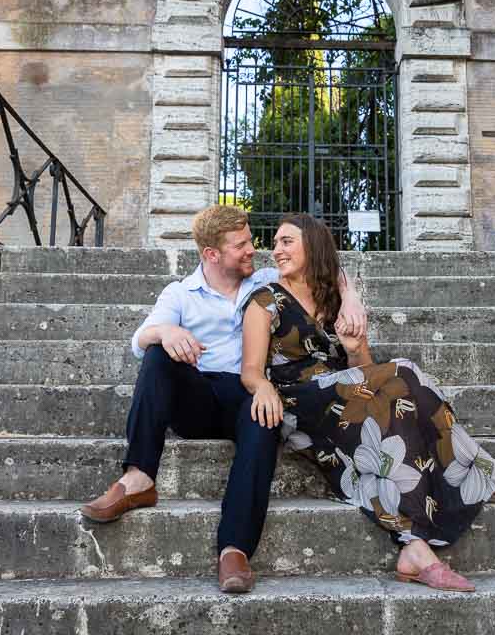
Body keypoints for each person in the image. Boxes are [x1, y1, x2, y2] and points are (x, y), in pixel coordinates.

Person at [240, 213, 495, 593]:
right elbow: (250, 369)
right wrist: (261, 386)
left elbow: (365, 369)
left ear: (312, 245)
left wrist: (354, 347)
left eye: (286, 241)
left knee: (400, 417)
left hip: (346, 398)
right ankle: (494, 476)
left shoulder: (334, 301)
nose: (276, 250)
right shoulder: (264, 301)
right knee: (404, 372)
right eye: (275, 242)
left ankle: (415, 549)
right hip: (300, 403)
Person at [79, 205, 367, 594]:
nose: (253, 250)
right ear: (211, 254)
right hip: (196, 396)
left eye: (250, 240)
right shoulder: (180, 293)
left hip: (246, 392)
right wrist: (165, 331)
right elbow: (139, 338)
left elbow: (322, 263)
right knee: (157, 353)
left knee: (264, 415)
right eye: (241, 245)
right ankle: (138, 477)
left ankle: (234, 549)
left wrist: (350, 297)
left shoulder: (264, 281)